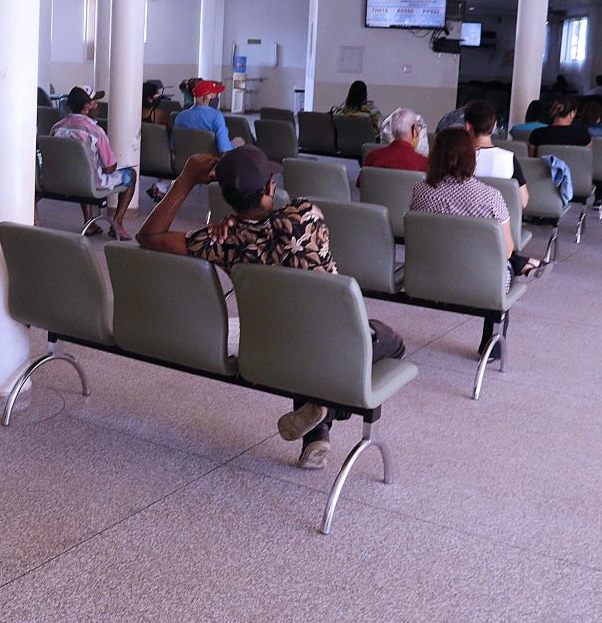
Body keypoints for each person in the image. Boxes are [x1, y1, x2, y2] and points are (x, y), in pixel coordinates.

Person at [135, 145, 404, 470]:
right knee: (391, 340)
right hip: (330, 343)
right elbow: (275, 224)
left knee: (296, 334)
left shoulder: (220, 241)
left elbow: (149, 235)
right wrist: (236, 219)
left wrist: (188, 180)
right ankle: (325, 408)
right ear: (270, 188)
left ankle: (316, 434)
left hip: (268, 351)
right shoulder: (305, 214)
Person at [410, 131, 541, 356]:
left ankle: (523, 263)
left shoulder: (420, 190)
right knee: (505, 266)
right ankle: (492, 349)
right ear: (472, 158)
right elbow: (507, 249)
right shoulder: (490, 196)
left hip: (427, 275)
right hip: (480, 282)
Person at [50, 86, 138, 241]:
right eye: (94, 102)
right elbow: (109, 168)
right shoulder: (95, 131)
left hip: (61, 181)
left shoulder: (56, 127)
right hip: (89, 183)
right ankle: (117, 224)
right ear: (86, 107)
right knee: (131, 174)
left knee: (82, 169)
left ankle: (89, 222)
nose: (97, 106)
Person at [147, 79, 235, 201]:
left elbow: (174, 146)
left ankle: (162, 186)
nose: (217, 98)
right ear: (206, 98)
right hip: (209, 163)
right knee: (239, 142)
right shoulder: (216, 116)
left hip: (184, 162)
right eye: (215, 95)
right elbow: (224, 149)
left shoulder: (180, 116)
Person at [463, 100, 528, 208]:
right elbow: (523, 201)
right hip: (500, 217)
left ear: (467, 126)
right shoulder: (509, 158)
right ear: (494, 126)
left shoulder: (458, 158)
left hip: (466, 216)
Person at [359, 107, 427, 184]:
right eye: (418, 127)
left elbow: (362, 184)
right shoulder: (423, 163)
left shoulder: (372, 157)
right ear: (414, 130)